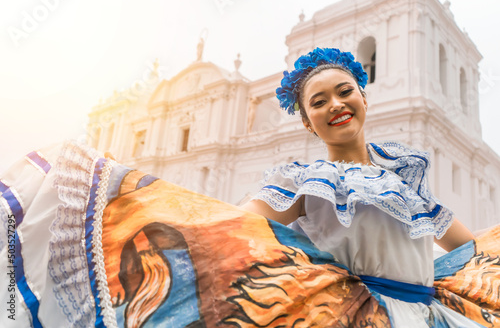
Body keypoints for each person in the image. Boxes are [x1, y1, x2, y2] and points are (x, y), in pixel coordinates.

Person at [0, 48, 498, 328]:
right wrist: (118, 187)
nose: (335, 105)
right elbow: (226, 226)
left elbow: (469, 249)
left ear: (363, 95)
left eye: (344, 91)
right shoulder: (303, 181)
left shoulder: (405, 178)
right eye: (318, 101)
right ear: (307, 123)